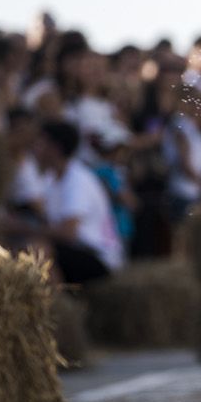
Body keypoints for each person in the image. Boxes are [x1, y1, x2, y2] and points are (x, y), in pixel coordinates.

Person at [33, 120, 125, 286]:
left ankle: (57, 305)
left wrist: (18, 226)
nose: (36, 148)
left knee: (39, 249)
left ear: (56, 148)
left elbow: (69, 233)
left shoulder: (77, 180)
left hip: (98, 257)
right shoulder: (51, 179)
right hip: (77, 250)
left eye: (41, 143)